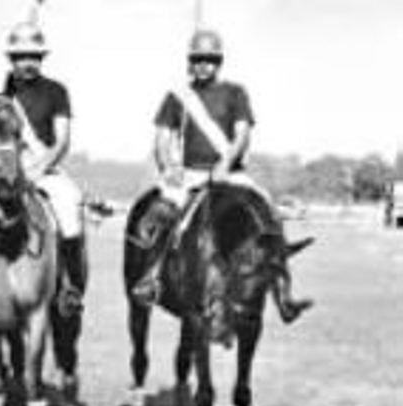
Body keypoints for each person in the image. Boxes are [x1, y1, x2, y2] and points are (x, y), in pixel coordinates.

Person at [133, 28, 312, 323]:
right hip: (189, 173)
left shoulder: (235, 93)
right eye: (199, 59)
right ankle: (152, 277)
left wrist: (225, 163)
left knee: (267, 212)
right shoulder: (177, 96)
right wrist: (169, 167)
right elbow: (162, 138)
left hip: (230, 173)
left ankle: (283, 291)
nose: (204, 65)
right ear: (190, 62)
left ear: (219, 62)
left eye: (210, 60)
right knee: (163, 211)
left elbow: (242, 135)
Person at [0, 21, 87, 315]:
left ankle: (71, 287)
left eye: (33, 56)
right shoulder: (0, 94)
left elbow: (62, 141)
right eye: (21, 56)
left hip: (43, 170)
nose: (27, 62)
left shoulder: (56, 91)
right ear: (11, 59)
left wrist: (39, 168)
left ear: (42, 58)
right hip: (1, 174)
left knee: (70, 211)